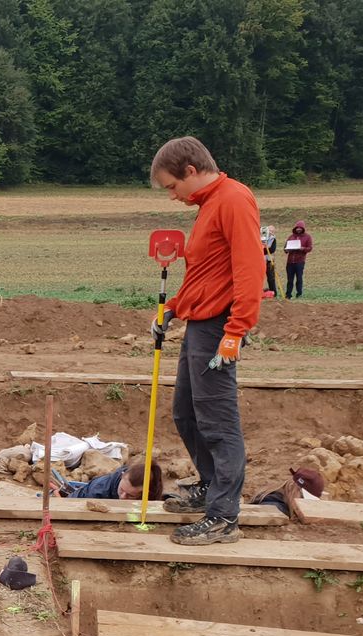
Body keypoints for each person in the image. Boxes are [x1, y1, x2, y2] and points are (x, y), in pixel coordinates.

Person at [149, 135, 265, 547]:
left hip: (219, 327)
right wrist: (174, 307)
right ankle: (211, 486)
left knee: (217, 423)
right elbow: (206, 274)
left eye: (172, 187)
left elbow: (250, 270)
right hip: (200, 324)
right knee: (186, 413)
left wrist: (236, 332)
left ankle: (222, 516)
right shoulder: (208, 205)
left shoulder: (233, 199)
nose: (173, 197)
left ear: (191, 171)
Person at [50, 457, 163, 501]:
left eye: (130, 495)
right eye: (122, 490)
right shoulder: (99, 490)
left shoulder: (153, 486)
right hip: (75, 501)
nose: (123, 497)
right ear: (122, 475)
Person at [251, 465, 324, 519]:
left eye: (312, 503)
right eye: (303, 498)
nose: (306, 506)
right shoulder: (275, 508)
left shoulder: (282, 503)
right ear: (291, 487)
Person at [284, 220, 312, 299]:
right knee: (290, 279)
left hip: (300, 261)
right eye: (297, 228)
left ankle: (299, 294)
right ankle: (288, 294)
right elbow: (285, 248)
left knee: (299, 279)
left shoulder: (307, 237)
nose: (298, 229)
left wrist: (302, 248)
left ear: (303, 228)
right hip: (290, 262)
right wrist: (287, 249)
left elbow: (310, 248)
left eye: (300, 228)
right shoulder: (291, 237)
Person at [261, 225, 278, 297]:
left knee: (271, 277)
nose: (270, 232)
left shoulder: (273, 239)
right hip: (261, 259)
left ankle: (273, 292)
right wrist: (265, 248)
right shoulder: (261, 237)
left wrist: (264, 248)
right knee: (260, 277)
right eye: (269, 230)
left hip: (269, 260)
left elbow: (272, 250)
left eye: (272, 231)